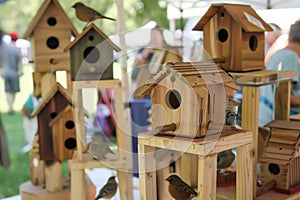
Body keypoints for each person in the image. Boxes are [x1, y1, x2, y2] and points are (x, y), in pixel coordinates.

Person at [259, 20, 300, 126]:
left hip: (263, 118)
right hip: (275, 122)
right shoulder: (291, 57)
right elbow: (285, 96)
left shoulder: (278, 54)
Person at [131, 26, 166, 91]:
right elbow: (135, 65)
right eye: (152, 35)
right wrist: (144, 54)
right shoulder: (145, 49)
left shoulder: (167, 50)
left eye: (156, 35)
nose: (154, 38)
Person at [0, 31, 23, 114]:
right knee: (13, 91)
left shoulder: (5, 48)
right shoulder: (17, 48)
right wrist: (21, 71)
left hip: (5, 73)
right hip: (14, 73)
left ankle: (10, 107)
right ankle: (11, 107)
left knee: (7, 91)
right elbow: (20, 61)